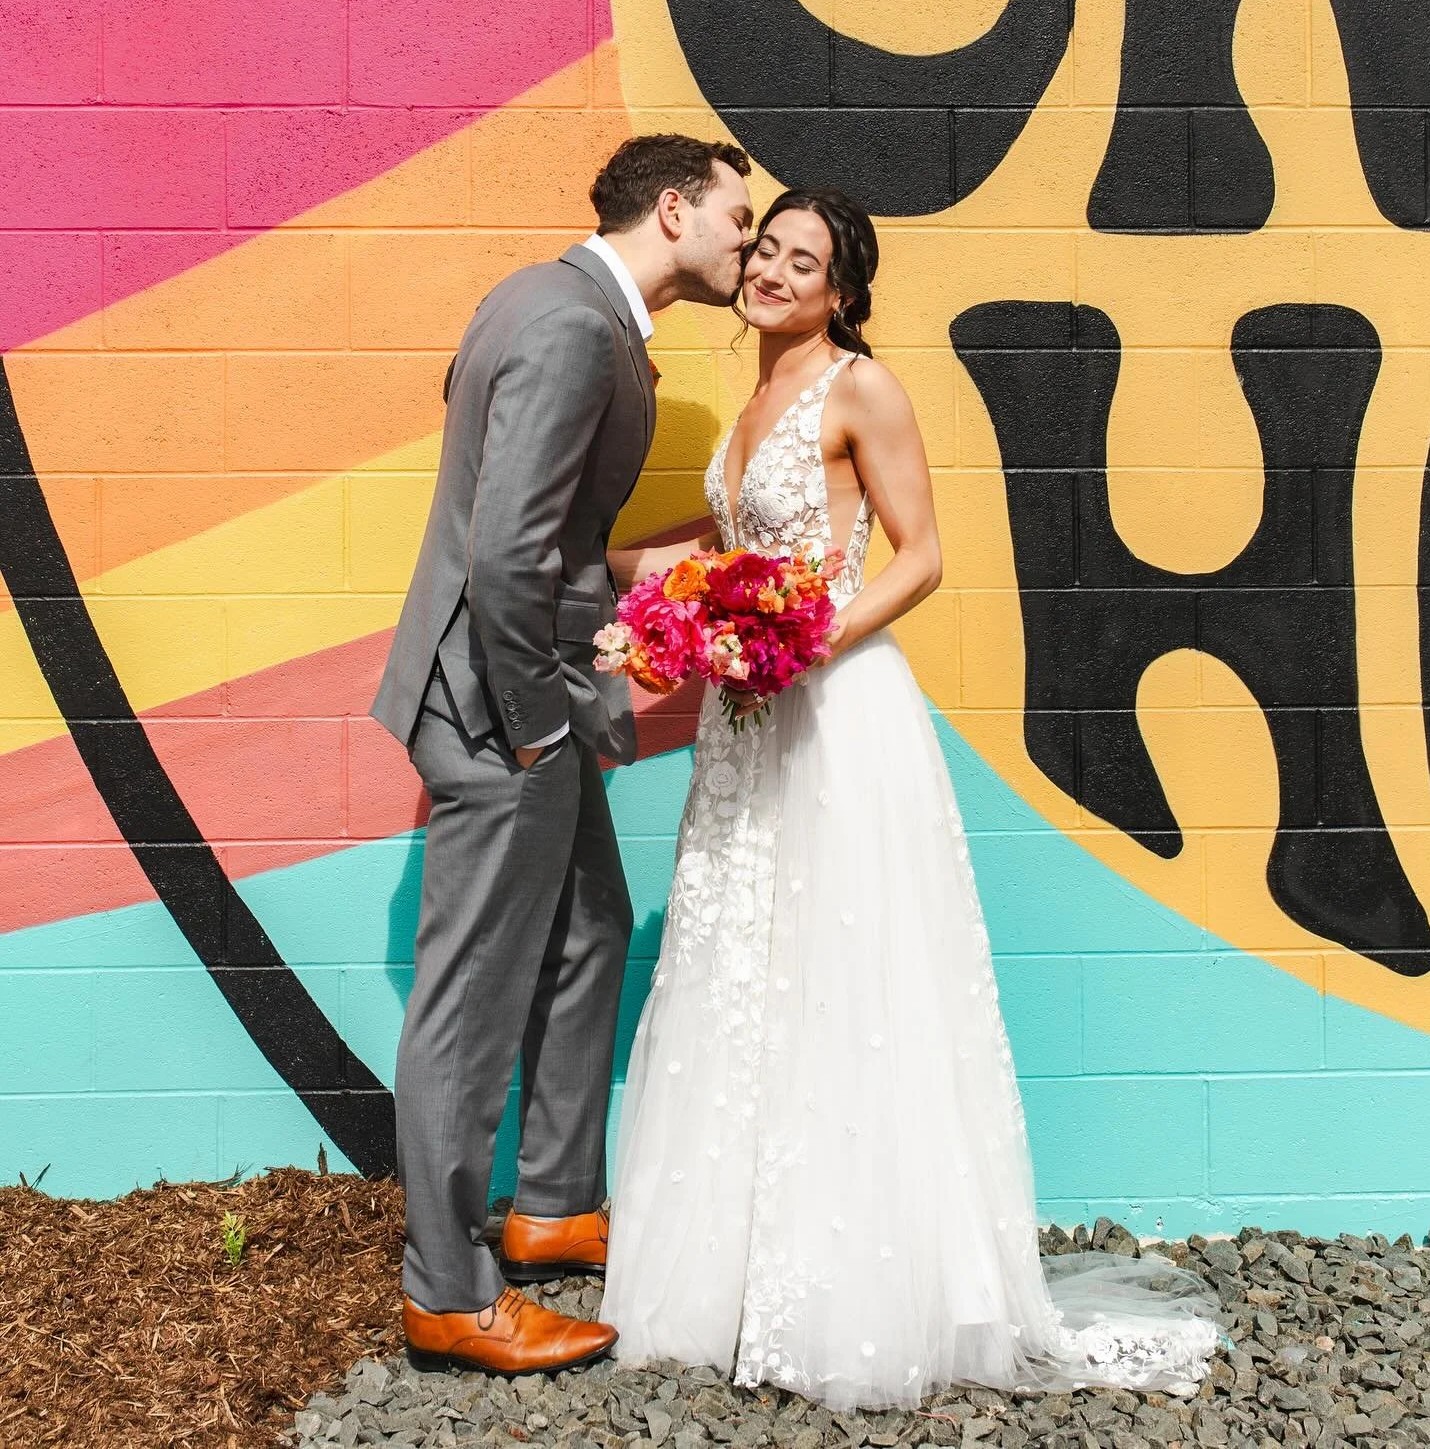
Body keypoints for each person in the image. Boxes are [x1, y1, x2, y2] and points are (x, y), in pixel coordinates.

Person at [600, 187, 1220, 1409]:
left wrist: (808, 642)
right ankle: (729, 1280)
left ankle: (853, 1295)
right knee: (742, 961)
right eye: (768, 250)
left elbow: (922, 554)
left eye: (805, 262)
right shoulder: (751, 394)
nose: (775, 272)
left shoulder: (861, 387)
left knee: (842, 973)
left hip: (834, 712)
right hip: (745, 719)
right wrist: (638, 586)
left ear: (842, 292)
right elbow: (732, 550)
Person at [372, 135, 753, 1376]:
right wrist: (540, 721)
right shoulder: (578, 327)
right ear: (674, 207)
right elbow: (503, 553)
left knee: (591, 930)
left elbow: (539, 529)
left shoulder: (539, 298)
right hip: (501, 710)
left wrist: (657, 571)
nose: (747, 243)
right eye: (737, 219)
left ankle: (552, 1205)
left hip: (514, 689)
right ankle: (447, 1292)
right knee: (469, 1003)